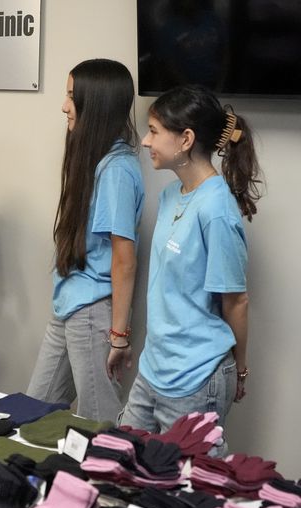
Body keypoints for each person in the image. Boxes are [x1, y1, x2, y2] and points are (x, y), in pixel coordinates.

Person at [120, 85, 263, 442]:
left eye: (154, 131)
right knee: (118, 462)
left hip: (196, 378)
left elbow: (236, 300)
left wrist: (240, 369)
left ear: (185, 139)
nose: (147, 141)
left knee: (186, 491)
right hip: (154, 368)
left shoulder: (216, 209)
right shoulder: (171, 195)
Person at [26, 59, 144, 423]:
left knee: (100, 426)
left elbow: (124, 259)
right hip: (69, 303)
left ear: (97, 106)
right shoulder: (97, 158)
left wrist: (119, 336)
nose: (64, 106)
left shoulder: (117, 170)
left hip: (93, 312)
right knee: (31, 413)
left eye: (72, 97)